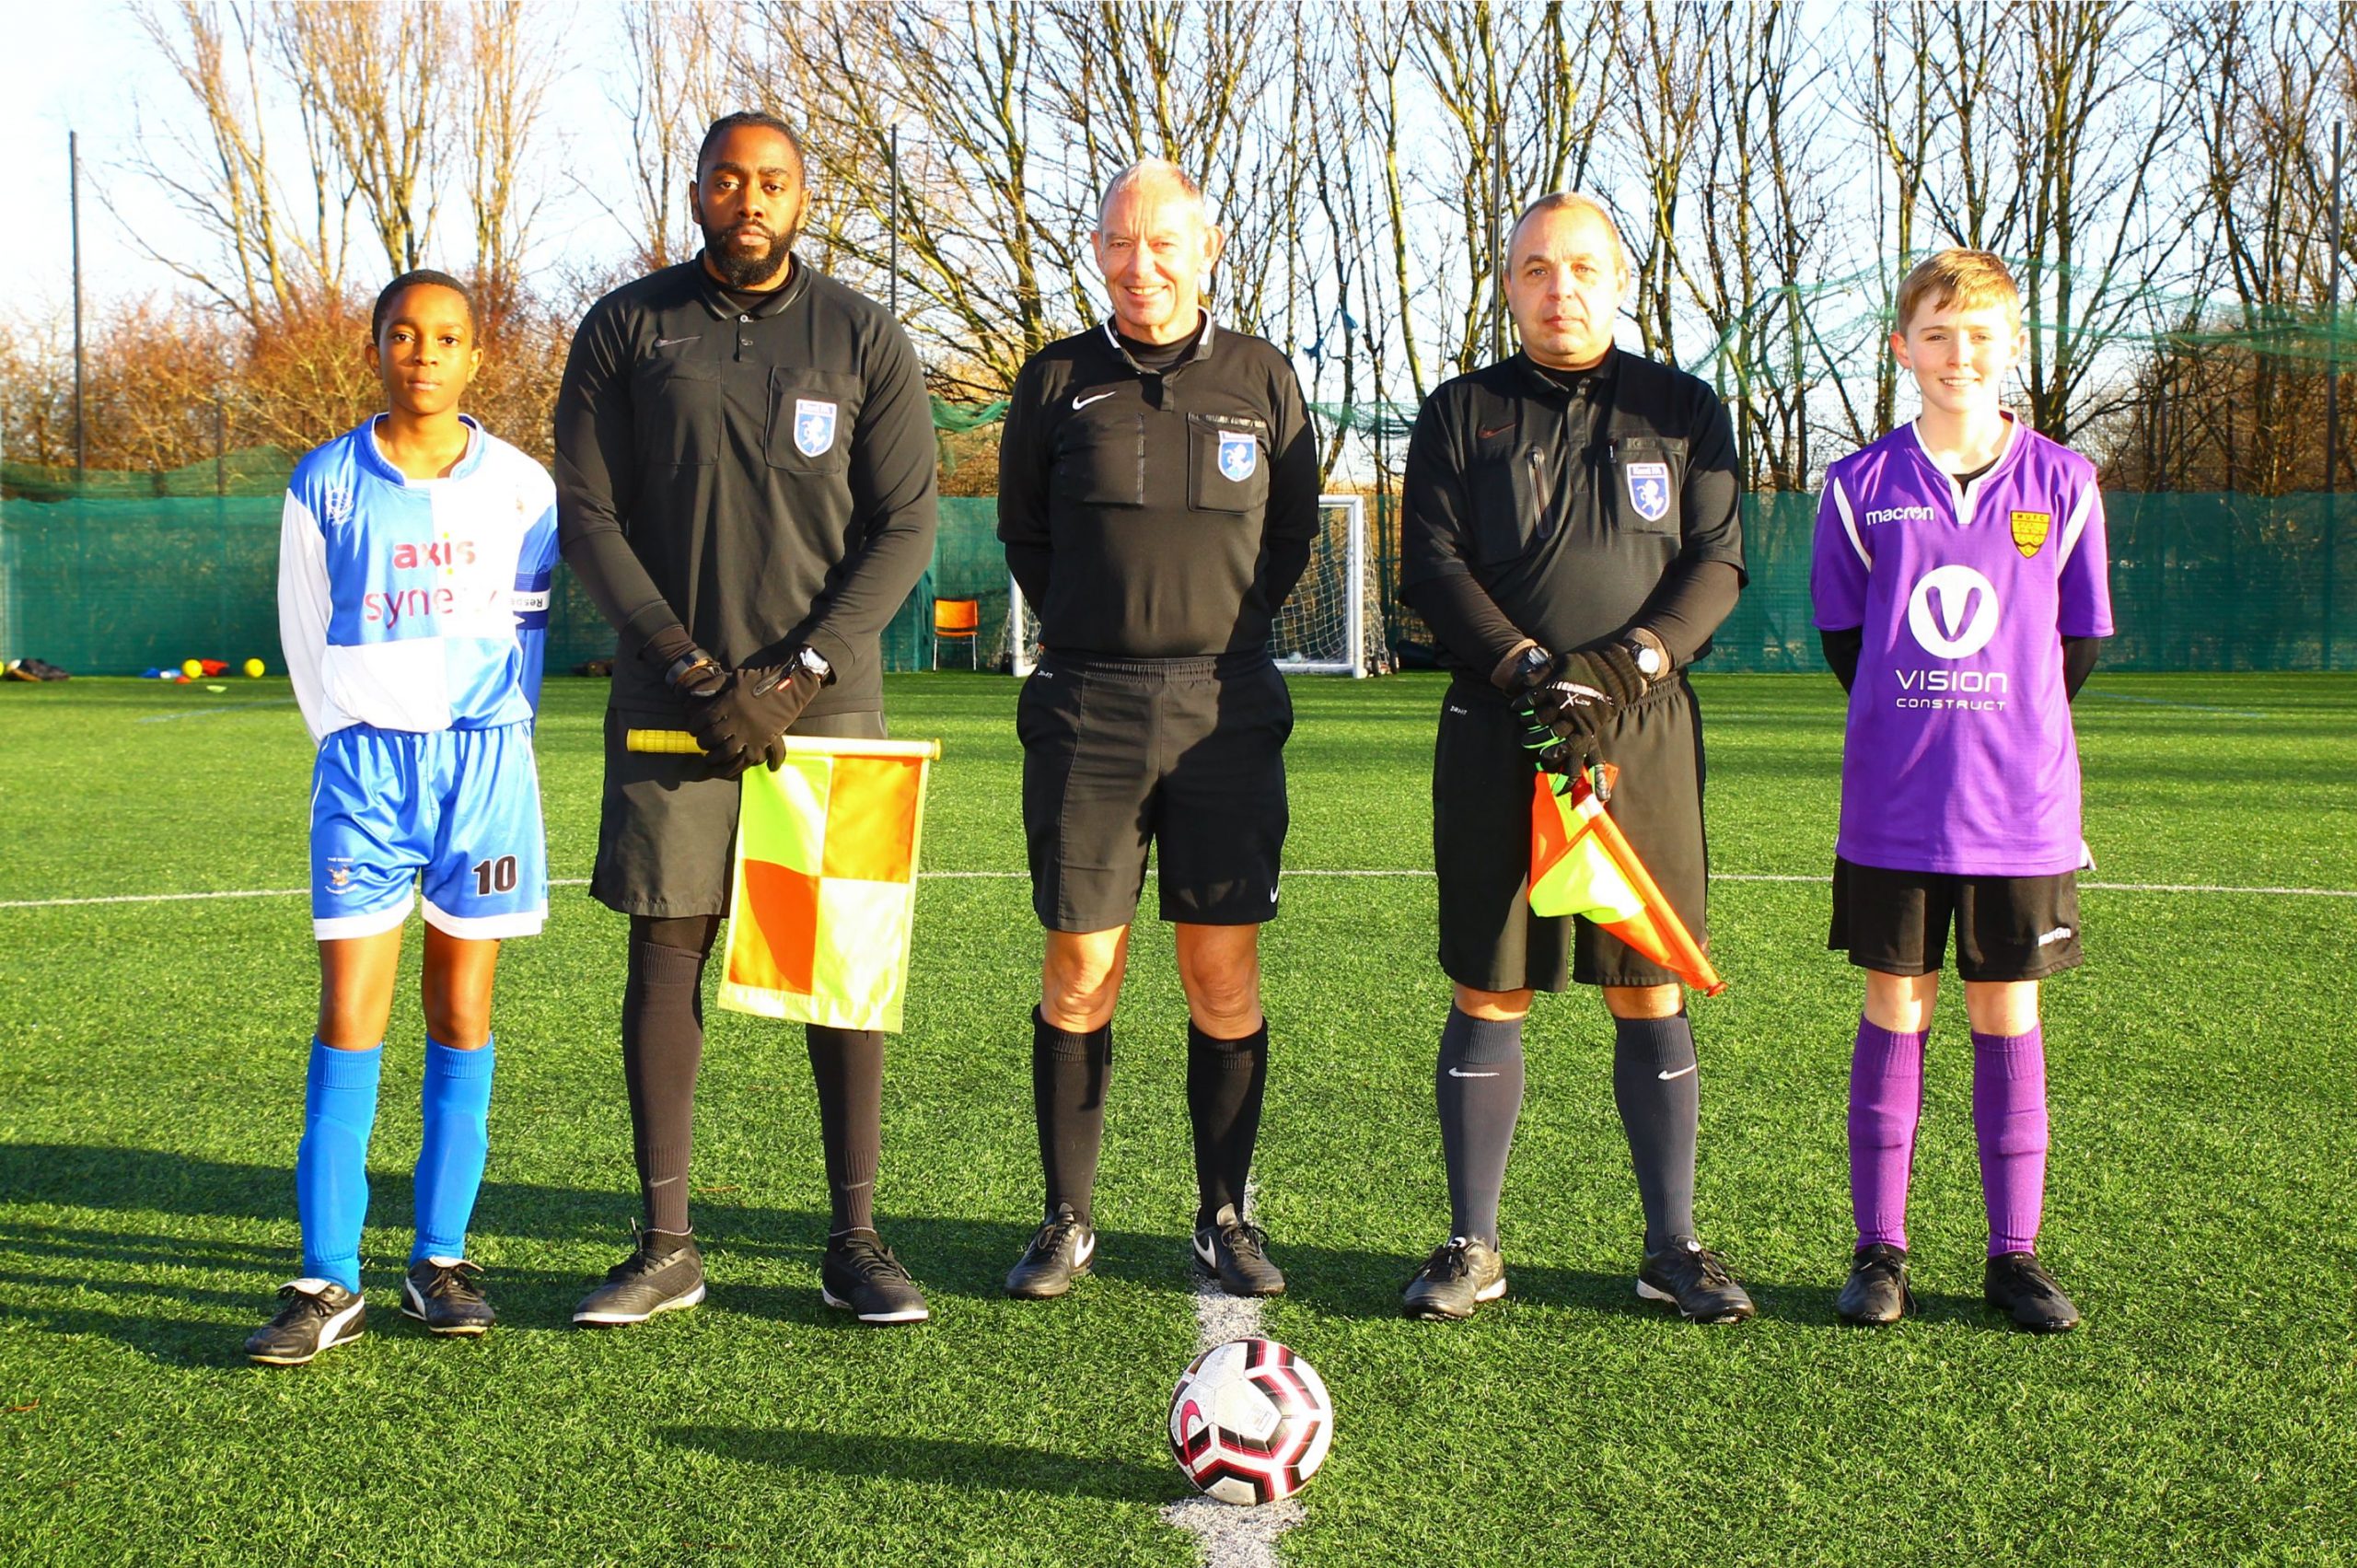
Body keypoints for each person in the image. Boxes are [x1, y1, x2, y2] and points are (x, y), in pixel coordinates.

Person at [555, 111, 939, 1327]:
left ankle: (855, 1241)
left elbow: (906, 524)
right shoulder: (628, 326)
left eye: (773, 179)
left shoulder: (863, 335)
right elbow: (589, 514)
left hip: (825, 703)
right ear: (698, 193)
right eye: (730, 178)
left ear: (801, 196)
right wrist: (687, 662)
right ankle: (666, 1244)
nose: (751, 198)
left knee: (838, 971)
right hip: (672, 703)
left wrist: (798, 673)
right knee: (666, 949)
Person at [1396, 193, 1753, 1324]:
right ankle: (1473, 1243)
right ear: (1509, 283)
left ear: (1619, 279)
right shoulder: (1461, 411)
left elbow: (1716, 561)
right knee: (1490, 981)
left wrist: (1623, 668)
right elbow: (1433, 564)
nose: (1562, 288)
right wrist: (1527, 670)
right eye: (1538, 268)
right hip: (1501, 725)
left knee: (1647, 980)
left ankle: (1671, 1245)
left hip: (1638, 728)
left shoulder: (1682, 408)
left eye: (1584, 266)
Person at [994, 160, 1318, 1301]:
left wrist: (1213, 635)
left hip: (1225, 707)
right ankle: (1065, 1217)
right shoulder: (1053, 380)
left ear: (1207, 248)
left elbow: (1289, 537)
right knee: (1081, 966)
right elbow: (1026, 536)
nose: (1143, 266)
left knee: (1221, 972)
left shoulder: (1262, 377)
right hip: (1088, 704)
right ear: (1097, 250)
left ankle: (1223, 1213)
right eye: (1122, 243)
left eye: (1165, 243)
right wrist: (1101, 629)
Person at [250, 269, 558, 1365]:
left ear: (477, 354)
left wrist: (490, 738)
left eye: (447, 336)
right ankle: (327, 1275)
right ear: (375, 347)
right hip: (366, 773)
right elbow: (305, 634)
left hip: (484, 770)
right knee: (350, 1011)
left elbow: (533, 629)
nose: (424, 352)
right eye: (404, 333)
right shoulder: (324, 480)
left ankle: (439, 1259)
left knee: (462, 1008)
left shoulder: (524, 485)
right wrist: (355, 734)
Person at [1810, 249, 2111, 1332]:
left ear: (2010, 345)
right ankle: (1878, 1251)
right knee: (1895, 1004)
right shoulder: (1857, 486)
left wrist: (2004, 727)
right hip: (1895, 804)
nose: (1957, 354)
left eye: (1979, 333)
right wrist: (1920, 720)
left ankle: (2012, 1255)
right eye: (1936, 334)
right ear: (1903, 348)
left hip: (2019, 809)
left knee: (2006, 1008)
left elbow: (2075, 644)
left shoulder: (2064, 482)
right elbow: (1847, 640)